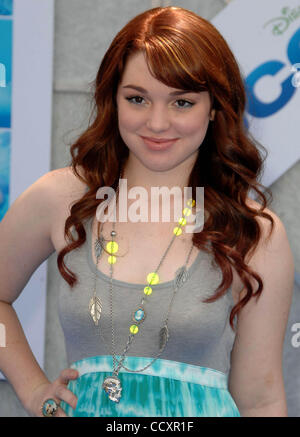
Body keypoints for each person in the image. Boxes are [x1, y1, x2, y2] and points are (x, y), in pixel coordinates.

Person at [0, 6, 295, 418]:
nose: (157, 123)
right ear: (113, 99)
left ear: (214, 107)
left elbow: (261, 399)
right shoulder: (60, 198)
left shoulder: (254, 232)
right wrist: (33, 391)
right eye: (137, 98)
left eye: (182, 102)